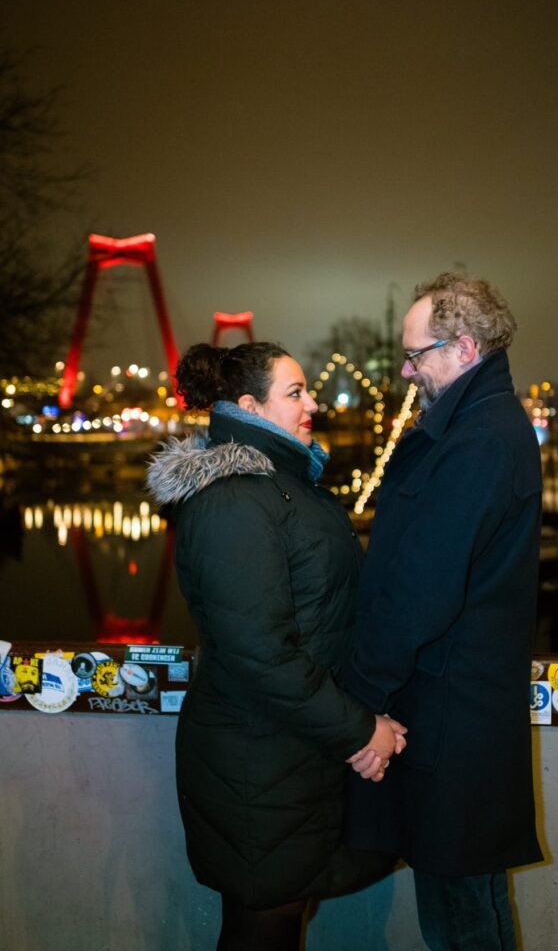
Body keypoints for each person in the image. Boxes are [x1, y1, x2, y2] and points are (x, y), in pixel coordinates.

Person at [147, 341, 405, 951]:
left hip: (287, 752)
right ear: (249, 406)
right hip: (256, 761)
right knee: (263, 929)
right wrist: (358, 731)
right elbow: (259, 651)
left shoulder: (282, 485)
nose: (312, 402)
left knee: (275, 925)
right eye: (295, 393)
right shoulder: (235, 501)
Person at [344, 273, 544, 951]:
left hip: (450, 718)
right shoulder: (478, 426)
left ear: (461, 347)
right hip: (456, 709)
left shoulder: (479, 439)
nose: (406, 370)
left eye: (415, 353)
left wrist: (361, 697)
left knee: (460, 916)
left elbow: (423, 585)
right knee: (468, 898)